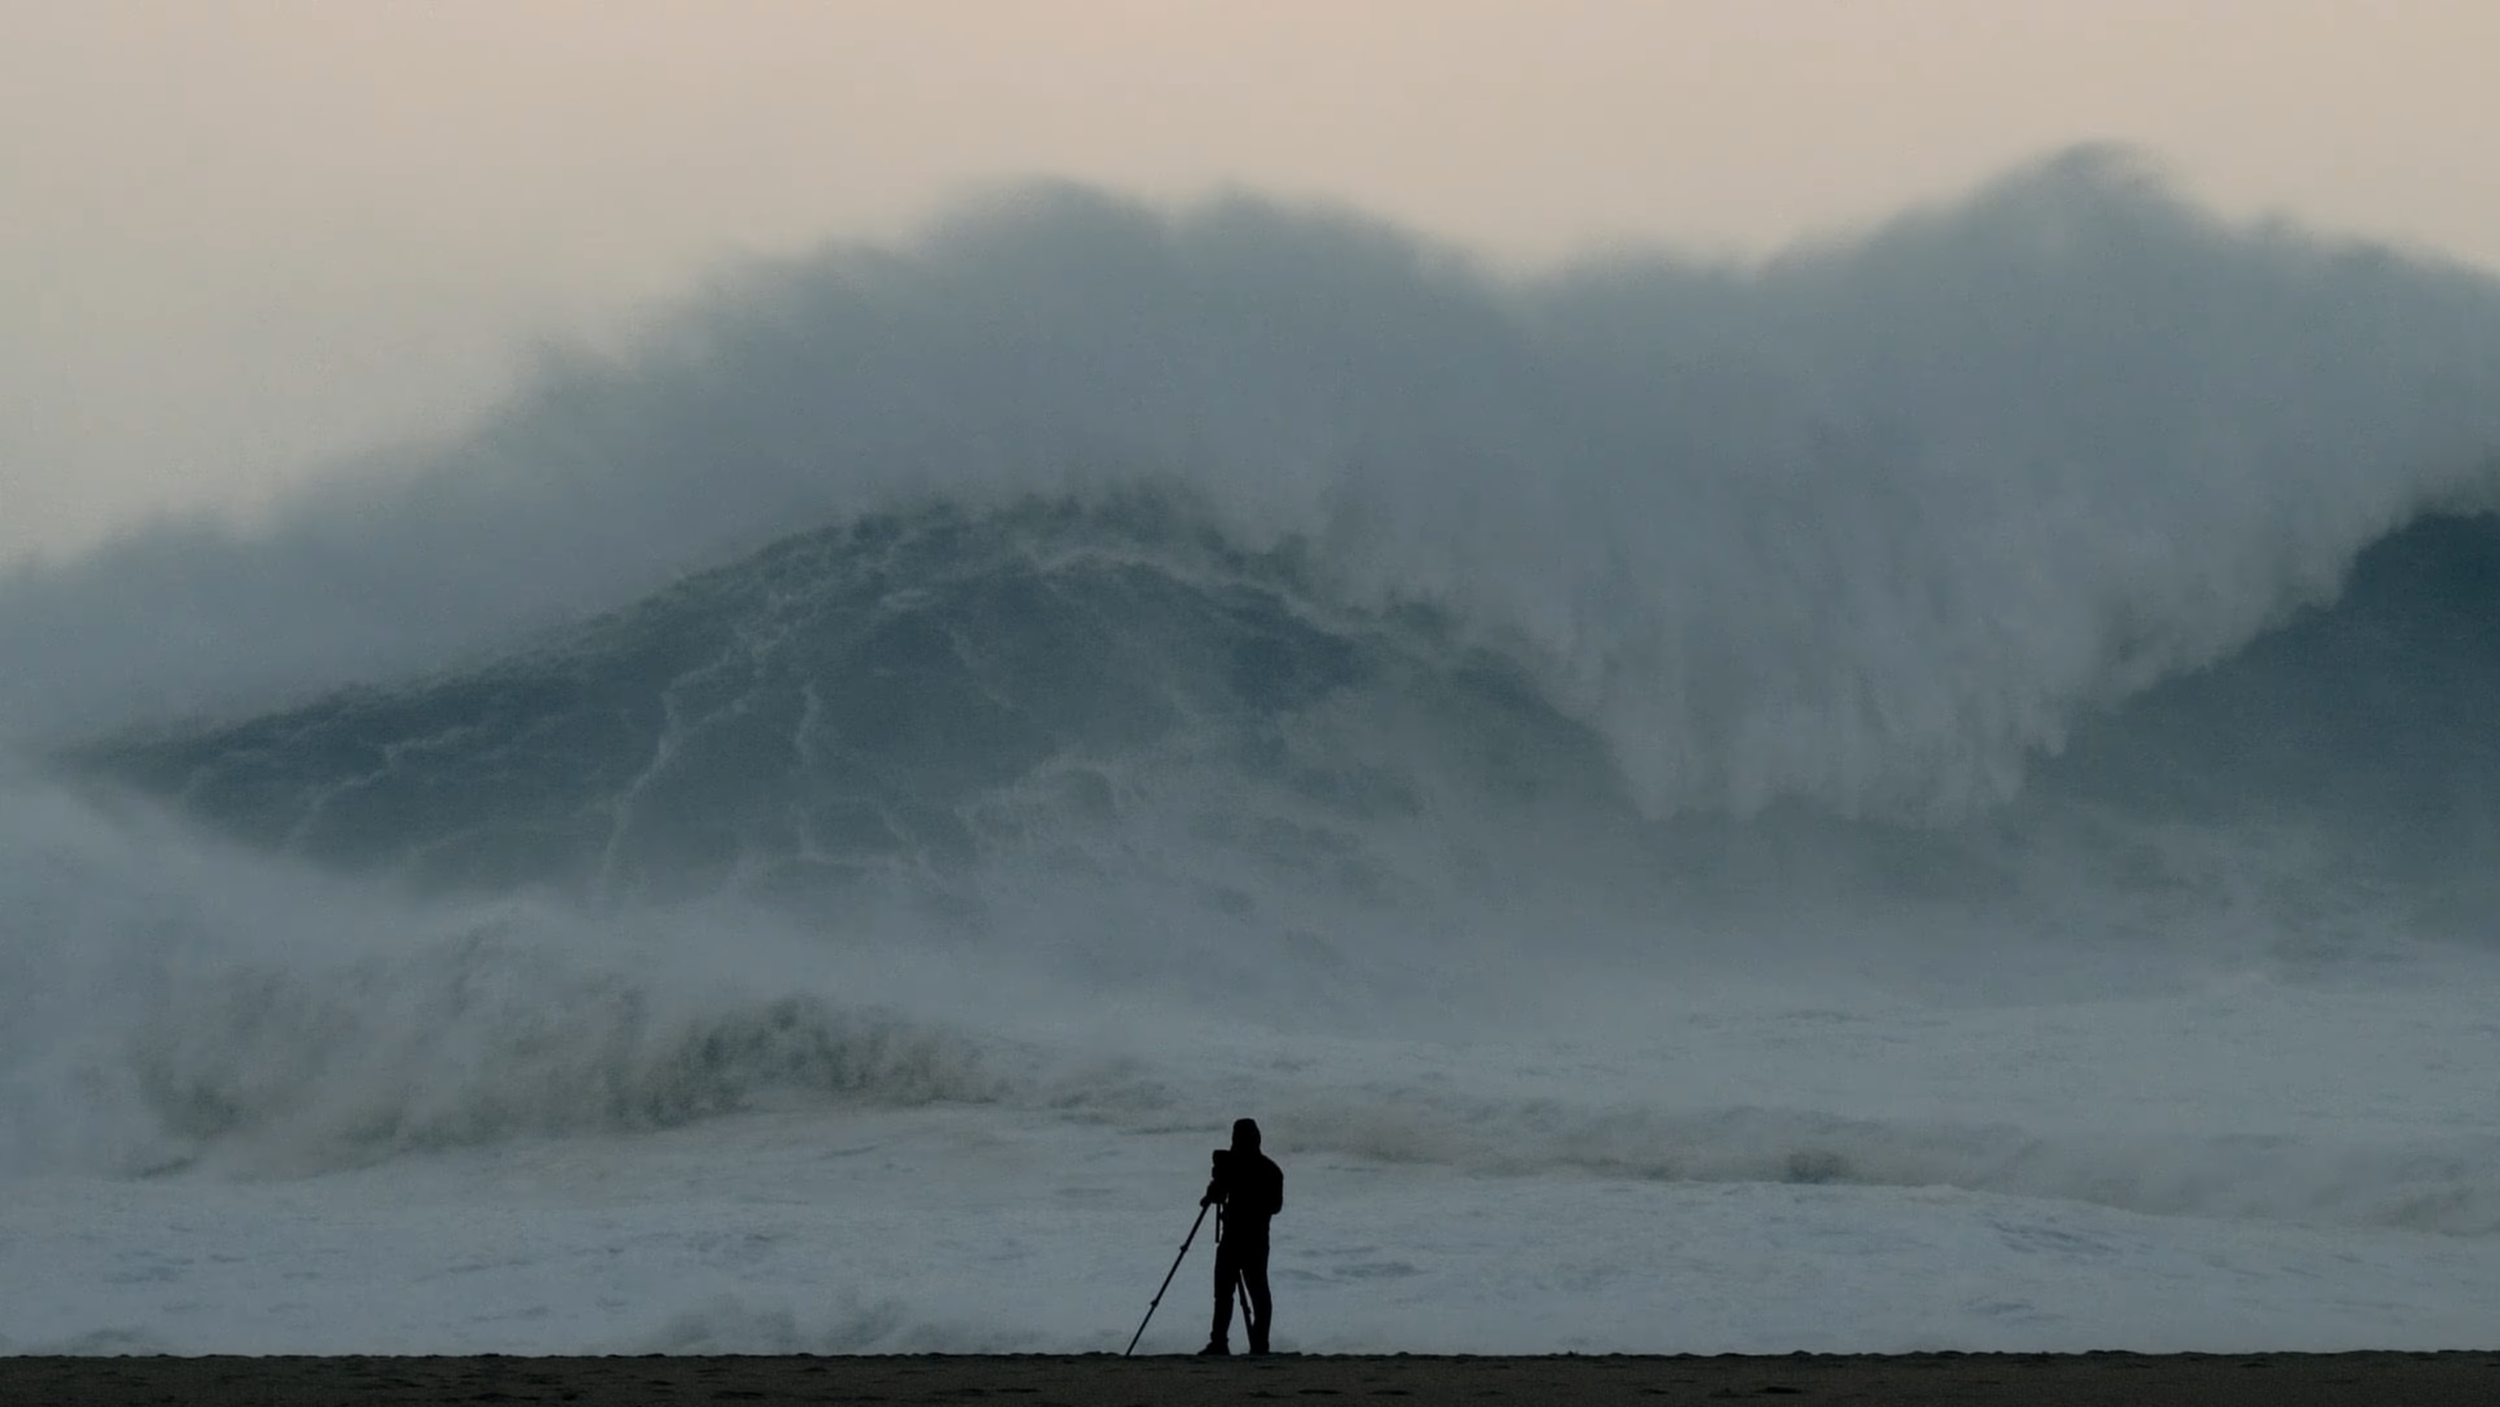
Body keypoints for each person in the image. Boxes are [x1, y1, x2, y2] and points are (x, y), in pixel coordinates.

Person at [1199, 1117, 1284, 1356]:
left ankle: (1223, 1342)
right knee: (1251, 1292)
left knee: (1233, 1293)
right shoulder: (1270, 1169)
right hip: (1252, 1239)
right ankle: (1256, 1344)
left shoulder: (1245, 1168)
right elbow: (1275, 1206)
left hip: (1242, 1238)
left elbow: (1274, 1205)